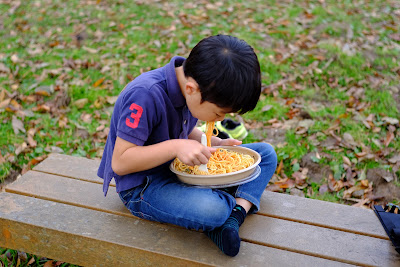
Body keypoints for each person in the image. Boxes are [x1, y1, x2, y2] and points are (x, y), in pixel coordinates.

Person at [97, 34, 277, 257]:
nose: (219, 120)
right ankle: (227, 207)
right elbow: (121, 162)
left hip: (182, 170)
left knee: (265, 155)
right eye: (219, 113)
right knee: (214, 209)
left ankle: (234, 217)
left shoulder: (189, 87)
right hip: (144, 187)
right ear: (192, 89)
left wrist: (216, 142)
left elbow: (181, 126)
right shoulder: (144, 95)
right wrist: (176, 147)